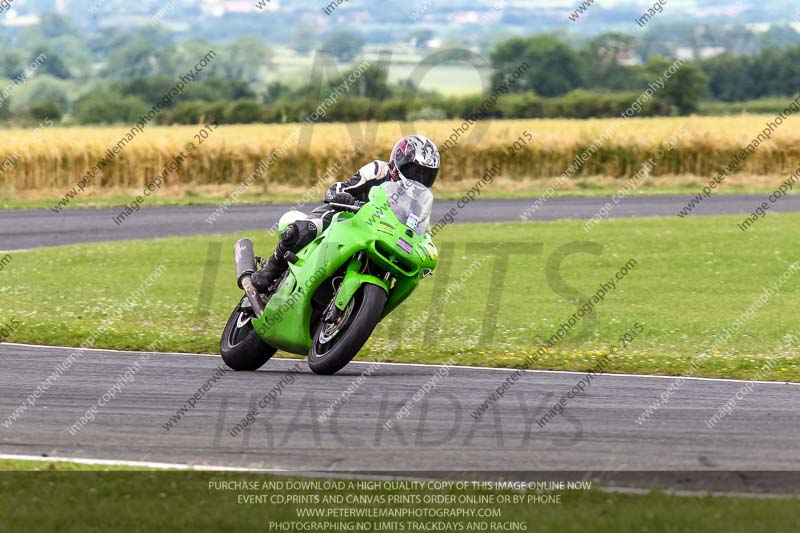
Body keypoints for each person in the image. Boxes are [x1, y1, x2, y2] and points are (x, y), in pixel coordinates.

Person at [251, 134, 440, 292]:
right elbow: (340, 188)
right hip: (348, 216)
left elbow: (420, 229)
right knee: (306, 228)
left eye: (426, 175)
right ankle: (270, 270)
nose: (419, 179)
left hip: (382, 235)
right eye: (415, 172)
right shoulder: (377, 170)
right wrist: (342, 197)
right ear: (398, 160)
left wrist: (425, 246)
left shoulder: (419, 201)